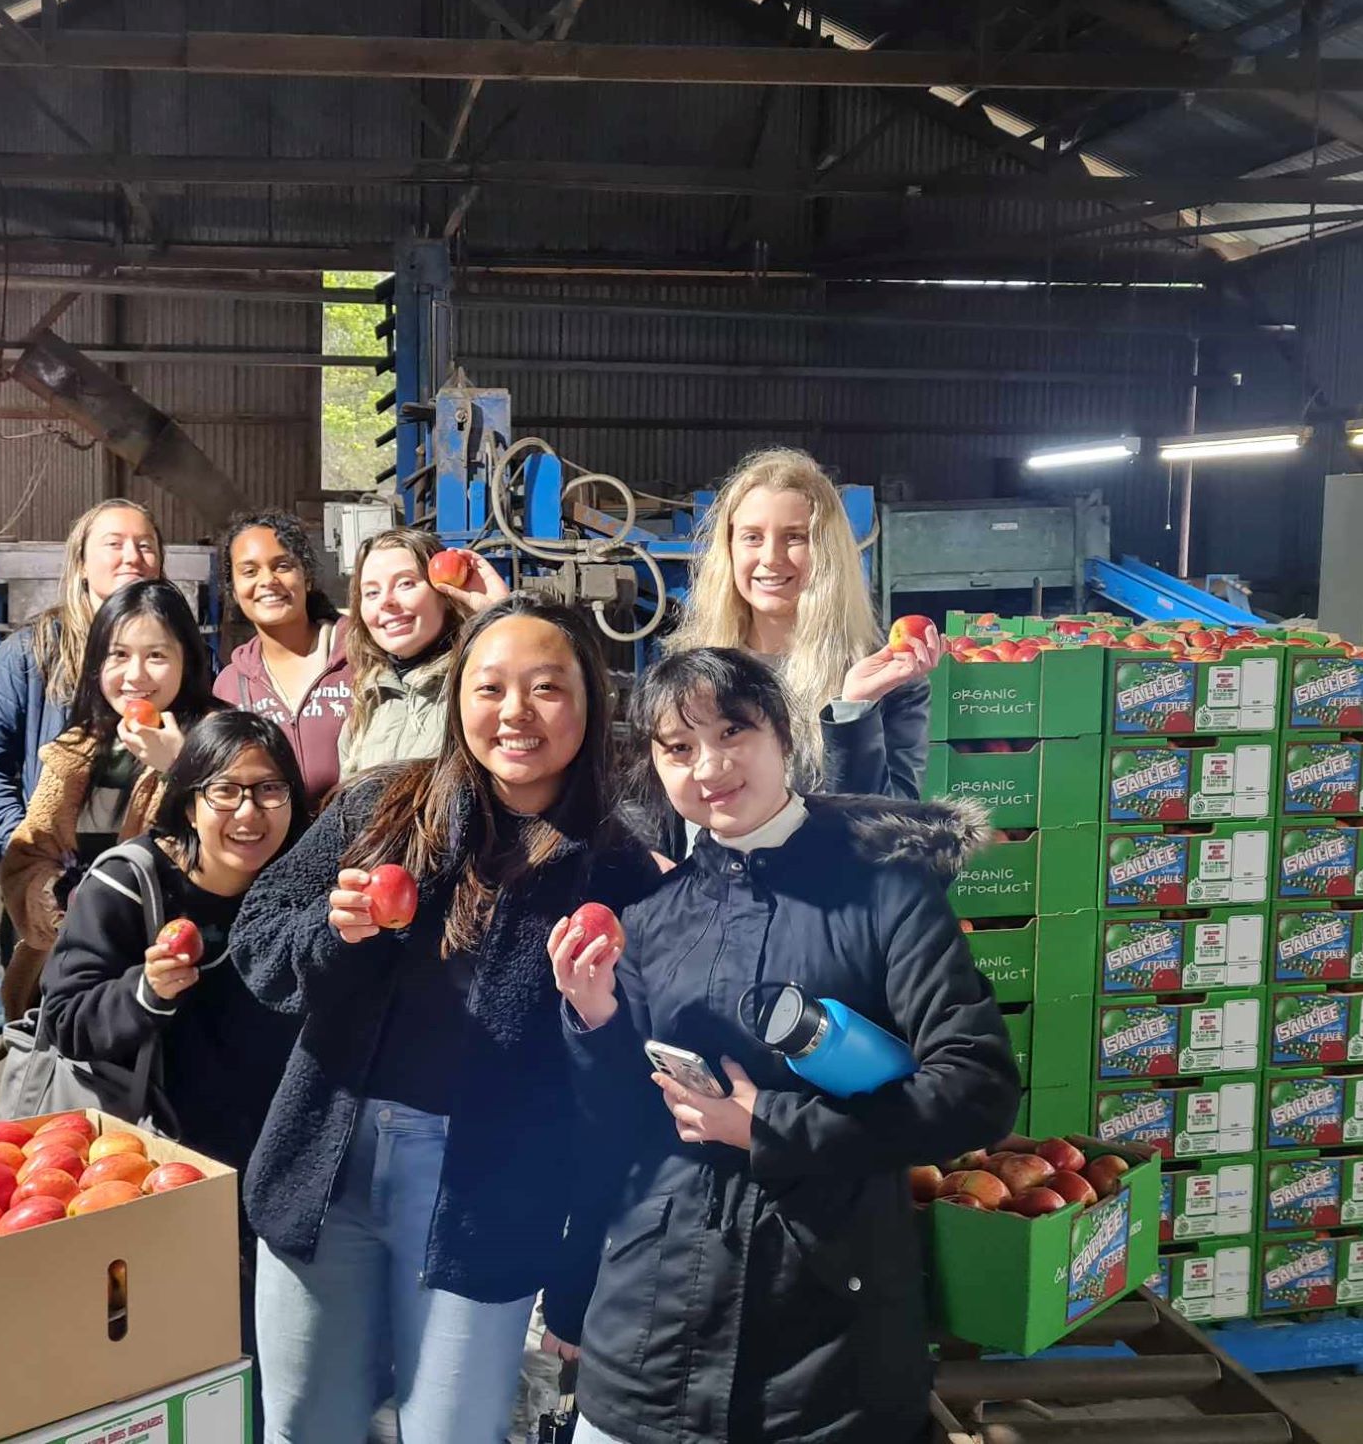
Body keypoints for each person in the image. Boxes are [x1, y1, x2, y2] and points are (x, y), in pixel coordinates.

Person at [551, 647, 1021, 1444]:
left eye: (733, 730)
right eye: (678, 747)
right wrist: (593, 1018)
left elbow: (977, 1087)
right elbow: (615, 1130)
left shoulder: (885, 895)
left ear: (783, 735)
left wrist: (768, 1124)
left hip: (825, 1355)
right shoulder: (655, 919)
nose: (709, 765)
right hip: (649, 1344)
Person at [228, 594, 661, 1444]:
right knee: (305, 1429)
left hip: (486, 1192)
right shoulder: (381, 810)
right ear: (458, 694)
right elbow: (258, 943)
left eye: (547, 688)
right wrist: (331, 929)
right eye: (491, 687)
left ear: (590, 703)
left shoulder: (618, 870)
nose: (516, 714)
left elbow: (626, 1090)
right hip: (330, 1163)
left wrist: (598, 1016)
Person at [38, 709, 311, 1393]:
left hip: (275, 1171)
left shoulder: (300, 888)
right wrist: (147, 992)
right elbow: (65, 1017)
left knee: (263, 1366)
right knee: (173, 1365)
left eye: (270, 790)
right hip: (165, 1168)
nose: (249, 812)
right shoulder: (130, 884)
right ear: (189, 799)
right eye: (226, 791)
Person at [0, 577, 220, 1018]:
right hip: (82, 989)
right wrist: (60, 899)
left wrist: (179, 768)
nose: (135, 675)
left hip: (183, 986)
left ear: (187, 660)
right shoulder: (75, 748)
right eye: (118, 655)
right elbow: (27, 856)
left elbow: (234, 851)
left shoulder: (222, 740)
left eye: (156, 655)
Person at [670, 447, 943, 801]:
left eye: (795, 537)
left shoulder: (888, 683)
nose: (770, 558)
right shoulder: (688, 670)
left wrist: (854, 711)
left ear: (827, 553)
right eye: (752, 537)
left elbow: (892, 824)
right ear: (730, 549)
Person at [0, 499, 163, 961]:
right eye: (114, 544)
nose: (132, 556)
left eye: (146, 546)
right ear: (82, 563)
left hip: (150, 892)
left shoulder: (183, 659)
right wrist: (25, 853)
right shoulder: (30, 654)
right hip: (52, 893)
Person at [338, 529, 507, 781]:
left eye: (406, 583)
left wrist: (502, 616)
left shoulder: (476, 685)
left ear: (445, 594)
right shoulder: (366, 703)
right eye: (372, 592)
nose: (387, 601)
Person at [212, 509, 351, 804]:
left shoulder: (361, 656)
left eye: (283, 565)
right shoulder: (230, 685)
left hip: (363, 844)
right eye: (250, 571)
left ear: (307, 577)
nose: (268, 580)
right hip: (273, 846)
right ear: (234, 591)